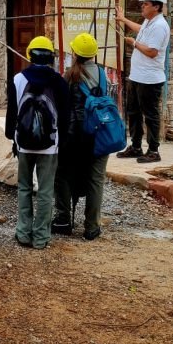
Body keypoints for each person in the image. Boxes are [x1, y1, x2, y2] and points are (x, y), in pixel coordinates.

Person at [5, 36, 69, 249]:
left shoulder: (17, 79)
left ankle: (23, 233)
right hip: (50, 145)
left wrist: (11, 137)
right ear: (51, 56)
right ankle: (41, 237)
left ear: (30, 55)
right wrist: (63, 142)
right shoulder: (59, 81)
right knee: (45, 190)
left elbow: (12, 113)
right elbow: (65, 116)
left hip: (23, 143)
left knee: (23, 187)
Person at [53, 33, 108, 240]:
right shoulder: (102, 74)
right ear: (94, 54)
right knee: (95, 180)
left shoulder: (68, 75)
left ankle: (63, 219)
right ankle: (92, 226)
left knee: (63, 176)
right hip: (96, 135)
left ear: (74, 52)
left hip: (72, 137)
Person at [115, 0, 170, 164]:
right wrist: (123, 20)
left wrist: (134, 43)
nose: (142, 7)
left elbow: (152, 52)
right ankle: (136, 146)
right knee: (134, 112)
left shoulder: (160, 26)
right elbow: (141, 29)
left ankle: (153, 150)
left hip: (150, 79)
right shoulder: (150, 22)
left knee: (150, 115)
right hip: (137, 76)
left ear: (156, 6)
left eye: (145, 4)